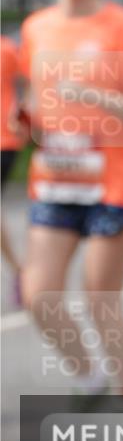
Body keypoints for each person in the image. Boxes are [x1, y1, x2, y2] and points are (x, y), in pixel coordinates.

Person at [16, 0, 123, 398]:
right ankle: (87, 374)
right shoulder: (36, 28)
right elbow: (36, 107)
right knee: (37, 295)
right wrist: (27, 125)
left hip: (113, 184)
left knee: (100, 295)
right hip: (56, 180)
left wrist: (96, 95)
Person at [1, 34, 28, 305]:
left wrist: (22, 112)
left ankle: (20, 272)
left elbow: (29, 83)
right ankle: (19, 270)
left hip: (4, 139)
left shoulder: (7, 49)